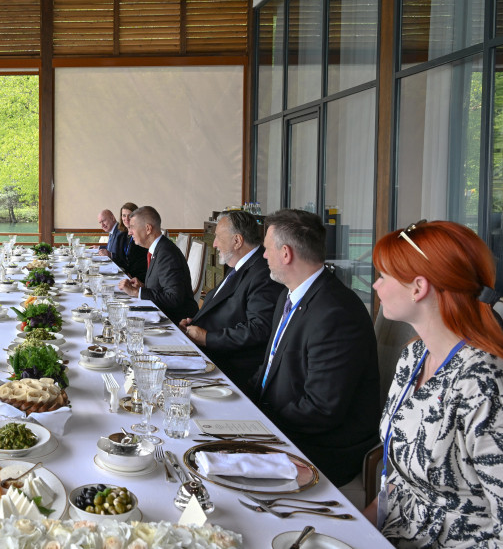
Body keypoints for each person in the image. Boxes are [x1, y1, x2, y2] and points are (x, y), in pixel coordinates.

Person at [365, 220, 503, 546]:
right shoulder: (413, 356)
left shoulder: (483, 383)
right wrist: (354, 528)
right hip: (396, 533)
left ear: (418, 288)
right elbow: (400, 479)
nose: (375, 285)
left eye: (384, 276)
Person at [251, 209, 379, 486]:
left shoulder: (336, 313)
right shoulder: (289, 295)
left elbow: (321, 409)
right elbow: (270, 367)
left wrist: (256, 424)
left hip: (321, 448)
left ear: (286, 253)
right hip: (283, 426)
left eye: (267, 249)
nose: (263, 256)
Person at [178, 210, 283, 394]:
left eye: (218, 237)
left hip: (229, 368)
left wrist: (207, 337)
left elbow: (258, 329)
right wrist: (194, 324)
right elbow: (223, 308)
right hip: (209, 355)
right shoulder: (239, 266)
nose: (215, 244)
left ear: (237, 240)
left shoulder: (262, 273)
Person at [118, 205, 198, 323]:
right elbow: (163, 288)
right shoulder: (157, 249)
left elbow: (174, 298)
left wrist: (137, 292)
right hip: (161, 314)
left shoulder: (166, 253)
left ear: (148, 229)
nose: (129, 232)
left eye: (132, 227)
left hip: (177, 322)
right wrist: (143, 287)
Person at [118, 202, 147, 282]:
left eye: (130, 215)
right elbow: (122, 258)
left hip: (138, 278)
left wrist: (131, 275)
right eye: (124, 215)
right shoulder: (123, 235)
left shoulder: (141, 235)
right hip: (126, 274)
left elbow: (143, 262)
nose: (126, 219)